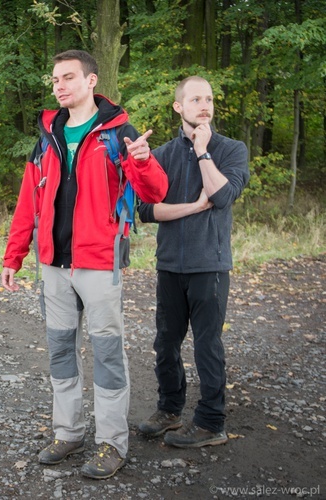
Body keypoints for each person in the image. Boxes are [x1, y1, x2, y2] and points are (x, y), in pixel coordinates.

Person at [1, 50, 168, 479]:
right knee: (61, 352)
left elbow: (154, 192)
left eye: (69, 77)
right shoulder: (46, 136)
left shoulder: (118, 133)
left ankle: (111, 443)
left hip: (98, 264)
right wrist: (13, 255)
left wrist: (143, 161)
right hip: (53, 266)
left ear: (91, 81)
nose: (59, 85)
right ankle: (68, 431)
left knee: (108, 354)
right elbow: (29, 202)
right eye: (55, 79)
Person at [137, 76, 249, 448]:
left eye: (209, 99)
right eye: (196, 99)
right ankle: (170, 410)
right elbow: (146, 210)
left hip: (210, 265)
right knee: (165, 343)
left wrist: (203, 152)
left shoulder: (232, 149)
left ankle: (211, 422)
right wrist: (191, 207)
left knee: (207, 345)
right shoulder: (164, 155)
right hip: (169, 264)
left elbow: (222, 195)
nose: (205, 105)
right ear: (178, 107)